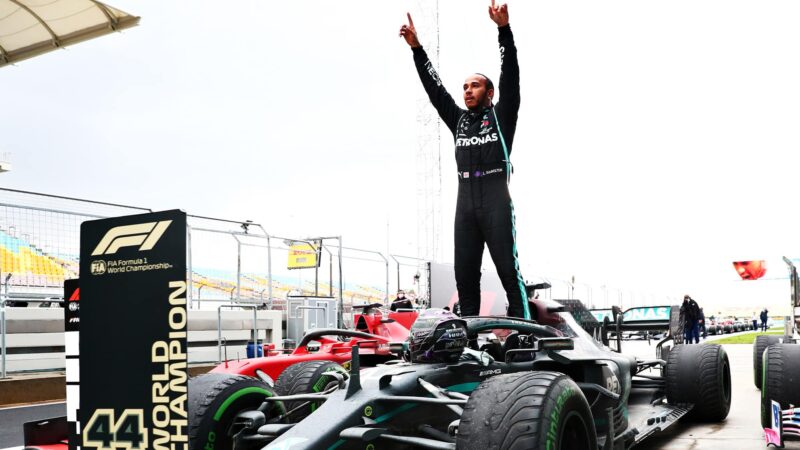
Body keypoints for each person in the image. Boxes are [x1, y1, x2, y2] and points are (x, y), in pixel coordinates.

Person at [400, 1, 529, 319]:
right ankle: (469, 346)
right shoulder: (457, 120)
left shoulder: (502, 116)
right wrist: (418, 50)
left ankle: (522, 335)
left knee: (508, 274)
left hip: (497, 202)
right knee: (465, 279)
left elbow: (510, 75)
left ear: (490, 92)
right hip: (466, 207)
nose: (468, 91)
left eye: (475, 85)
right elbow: (435, 91)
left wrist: (504, 30)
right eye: (465, 87)